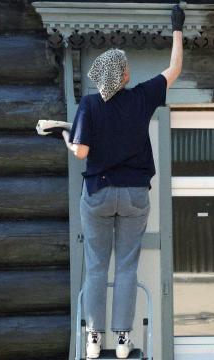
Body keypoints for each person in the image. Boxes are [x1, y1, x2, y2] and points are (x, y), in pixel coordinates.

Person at [60, 5, 185, 359]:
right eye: (127, 67)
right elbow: (175, 67)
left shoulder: (88, 104)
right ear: (123, 77)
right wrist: (177, 27)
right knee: (127, 266)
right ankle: (123, 342)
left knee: (97, 266)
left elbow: (81, 152)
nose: (130, 70)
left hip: (98, 193)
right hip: (134, 195)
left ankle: (93, 339)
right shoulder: (143, 97)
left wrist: (67, 138)